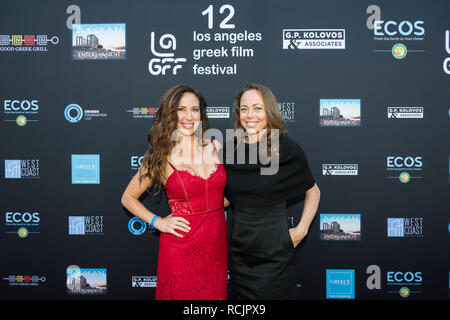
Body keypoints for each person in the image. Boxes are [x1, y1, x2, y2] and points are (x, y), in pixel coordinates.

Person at [121, 84, 228, 300]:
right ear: (171, 114)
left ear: (201, 114)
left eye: (195, 109)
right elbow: (127, 198)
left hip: (216, 248)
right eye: (182, 109)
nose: (189, 116)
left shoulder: (216, 147)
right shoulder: (161, 156)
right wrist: (157, 221)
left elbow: (224, 197)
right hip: (180, 249)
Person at [223, 83, 321, 300]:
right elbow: (227, 198)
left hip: (275, 251)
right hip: (239, 250)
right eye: (244, 108)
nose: (250, 115)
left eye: (258, 108)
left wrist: (301, 229)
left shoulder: (285, 148)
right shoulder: (231, 149)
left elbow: (313, 192)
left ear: (270, 111)